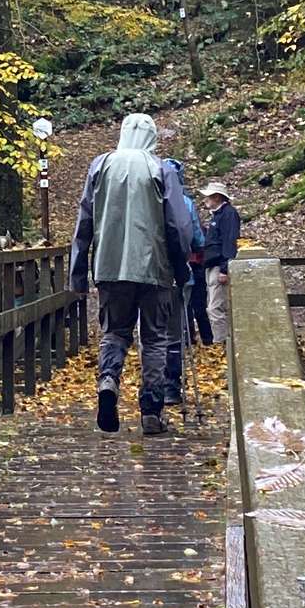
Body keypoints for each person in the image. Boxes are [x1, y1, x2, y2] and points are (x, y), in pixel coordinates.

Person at [70, 112, 196, 437]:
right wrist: (182, 269)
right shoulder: (162, 169)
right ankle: (151, 411)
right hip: (155, 269)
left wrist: (78, 273)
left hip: (110, 268)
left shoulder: (100, 166)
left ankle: (108, 380)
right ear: (152, 137)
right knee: (154, 339)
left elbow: (84, 221)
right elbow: (178, 225)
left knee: (114, 332)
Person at [160, 156, 204, 407]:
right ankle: (172, 386)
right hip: (177, 274)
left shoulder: (148, 198)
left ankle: (152, 385)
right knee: (175, 331)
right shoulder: (185, 203)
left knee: (151, 332)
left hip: (150, 274)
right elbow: (196, 237)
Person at [198, 182, 241, 343]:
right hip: (212, 264)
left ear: (217, 197)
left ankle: (222, 343)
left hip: (218, 265)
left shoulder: (228, 214)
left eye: (208, 197)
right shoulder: (218, 215)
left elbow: (229, 242)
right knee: (214, 306)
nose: (205, 200)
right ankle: (224, 342)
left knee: (215, 308)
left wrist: (224, 268)